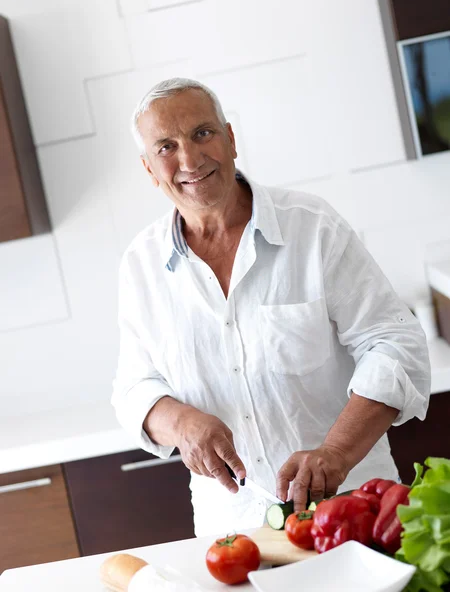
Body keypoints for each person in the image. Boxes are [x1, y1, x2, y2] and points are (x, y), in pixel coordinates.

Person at [112, 77, 431, 537]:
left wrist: (336, 453)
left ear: (231, 139)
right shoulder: (141, 266)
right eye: (166, 147)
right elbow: (133, 389)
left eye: (203, 133)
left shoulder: (312, 227)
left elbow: (394, 343)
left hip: (355, 513)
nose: (190, 159)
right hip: (232, 532)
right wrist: (181, 423)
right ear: (148, 168)